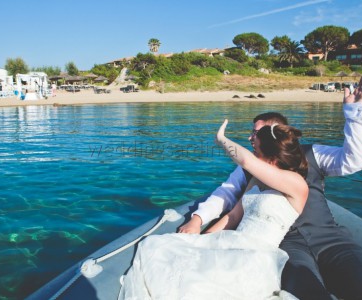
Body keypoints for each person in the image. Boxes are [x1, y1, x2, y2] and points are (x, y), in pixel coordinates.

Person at [178, 75, 362, 299]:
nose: (251, 137)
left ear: (279, 132)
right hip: (287, 247)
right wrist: (198, 220)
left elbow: (355, 159)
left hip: (331, 238)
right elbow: (227, 194)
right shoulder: (250, 169)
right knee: (305, 292)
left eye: (257, 132)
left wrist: (354, 113)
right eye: (253, 132)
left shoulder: (312, 154)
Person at [119, 120, 309, 299]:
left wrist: (222, 140)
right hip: (230, 244)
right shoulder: (256, 180)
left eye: (256, 149)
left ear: (272, 157)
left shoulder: (296, 184)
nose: (253, 152)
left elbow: (247, 162)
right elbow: (234, 216)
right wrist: (203, 239)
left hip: (257, 258)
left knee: (194, 288)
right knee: (157, 248)